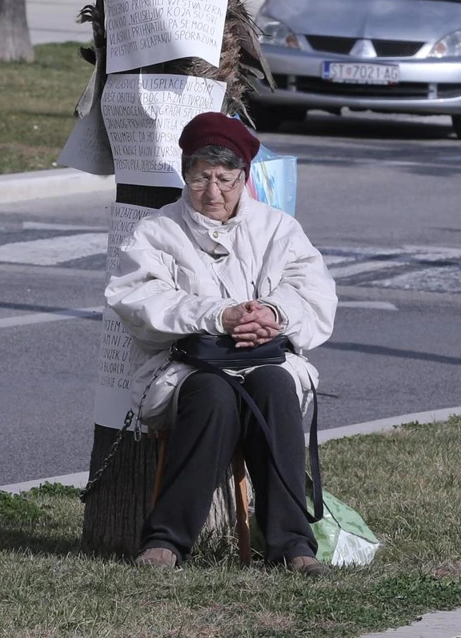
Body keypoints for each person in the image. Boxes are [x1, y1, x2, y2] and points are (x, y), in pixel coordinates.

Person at [105, 112, 337, 576]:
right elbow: (137, 300)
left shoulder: (278, 229)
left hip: (266, 360)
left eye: (225, 179)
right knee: (213, 395)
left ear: (244, 178)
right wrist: (219, 315)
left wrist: (271, 314)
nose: (212, 192)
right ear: (186, 175)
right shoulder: (156, 232)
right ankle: (166, 542)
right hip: (184, 368)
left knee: (272, 386)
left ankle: (293, 546)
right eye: (200, 179)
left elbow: (315, 295)